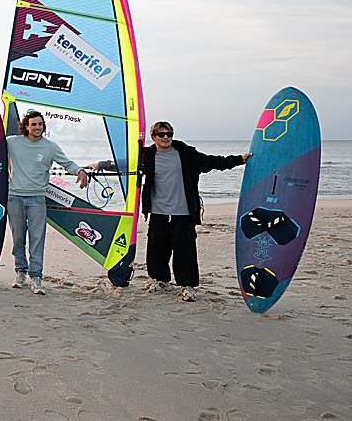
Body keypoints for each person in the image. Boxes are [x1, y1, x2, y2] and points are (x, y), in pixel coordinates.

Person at [103, 121, 248, 302]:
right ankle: (161, 280)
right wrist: (100, 165)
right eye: (161, 134)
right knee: (157, 249)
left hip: (183, 212)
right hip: (158, 211)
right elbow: (125, 165)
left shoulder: (186, 153)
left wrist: (240, 159)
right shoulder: (146, 155)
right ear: (153, 137)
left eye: (169, 134)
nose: (166, 137)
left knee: (185, 250)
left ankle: (187, 286)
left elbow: (213, 162)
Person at [5, 110, 88, 295]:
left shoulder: (50, 147)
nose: (37, 127)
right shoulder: (12, 142)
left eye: (40, 124)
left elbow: (67, 163)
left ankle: (36, 277)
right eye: (33, 124)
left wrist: (80, 171)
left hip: (37, 199)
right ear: (26, 126)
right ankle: (20, 272)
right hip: (14, 197)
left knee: (37, 239)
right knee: (18, 239)